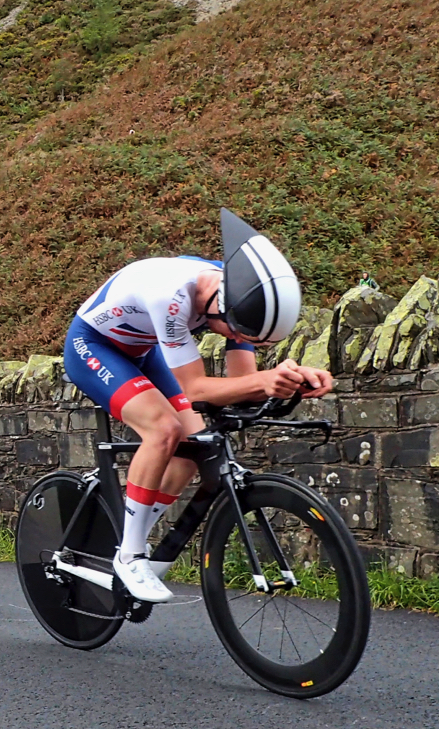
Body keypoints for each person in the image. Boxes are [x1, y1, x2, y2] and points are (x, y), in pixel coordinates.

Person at [62, 209, 334, 603]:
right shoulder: (172, 297)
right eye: (241, 335)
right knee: (164, 430)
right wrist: (262, 381)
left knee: (196, 444)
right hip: (94, 345)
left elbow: (241, 383)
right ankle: (129, 553)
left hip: (143, 347)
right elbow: (194, 388)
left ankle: (129, 526)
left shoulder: (239, 294)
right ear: (219, 309)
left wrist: (288, 382)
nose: (242, 341)